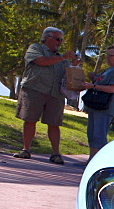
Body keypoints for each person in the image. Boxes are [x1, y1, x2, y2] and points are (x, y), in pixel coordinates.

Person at [13, 27, 78, 164]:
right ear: (47, 38)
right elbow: (41, 61)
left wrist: (74, 65)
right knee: (30, 119)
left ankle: (55, 153)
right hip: (34, 89)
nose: (60, 42)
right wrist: (63, 57)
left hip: (55, 94)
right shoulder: (35, 48)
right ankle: (26, 149)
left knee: (54, 123)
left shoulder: (62, 58)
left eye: (61, 40)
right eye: (57, 39)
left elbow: (68, 75)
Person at [81, 45, 114, 159]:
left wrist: (93, 86)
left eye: (110, 55)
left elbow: (112, 89)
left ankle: (99, 162)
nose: (107, 57)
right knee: (92, 134)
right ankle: (91, 160)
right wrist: (94, 78)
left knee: (99, 135)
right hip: (96, 105)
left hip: (105, 107)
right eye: (107, 55)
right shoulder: (108, 70)